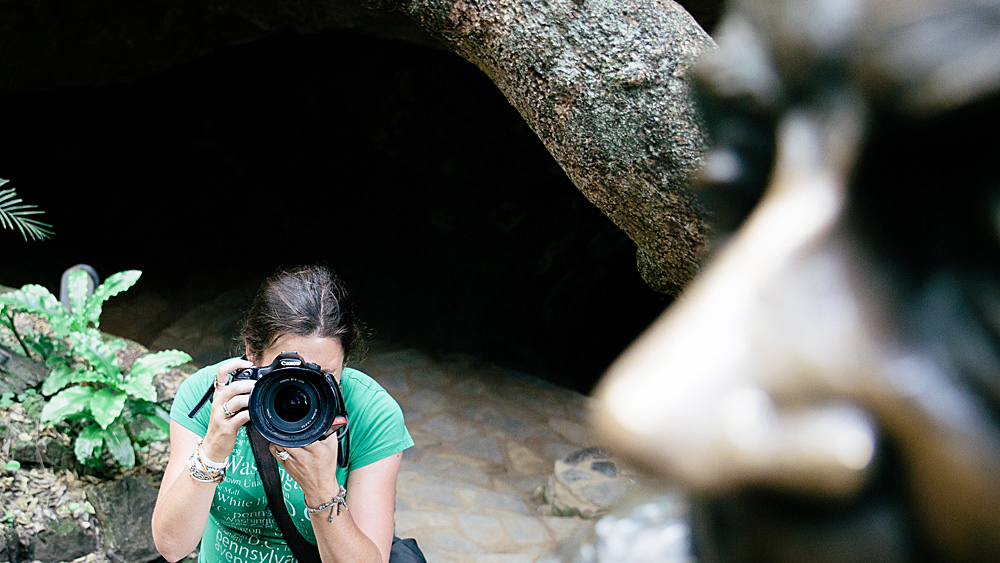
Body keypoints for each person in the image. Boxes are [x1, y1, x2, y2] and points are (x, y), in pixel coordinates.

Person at [152, 265, 417, 563]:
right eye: (288, 370)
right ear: (252, 353)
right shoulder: (210, 394)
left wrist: (322, 491)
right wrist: (212, 451)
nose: (304, 387)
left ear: (345, 361)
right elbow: (171, 546)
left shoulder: (371, 413)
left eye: (325, 375)